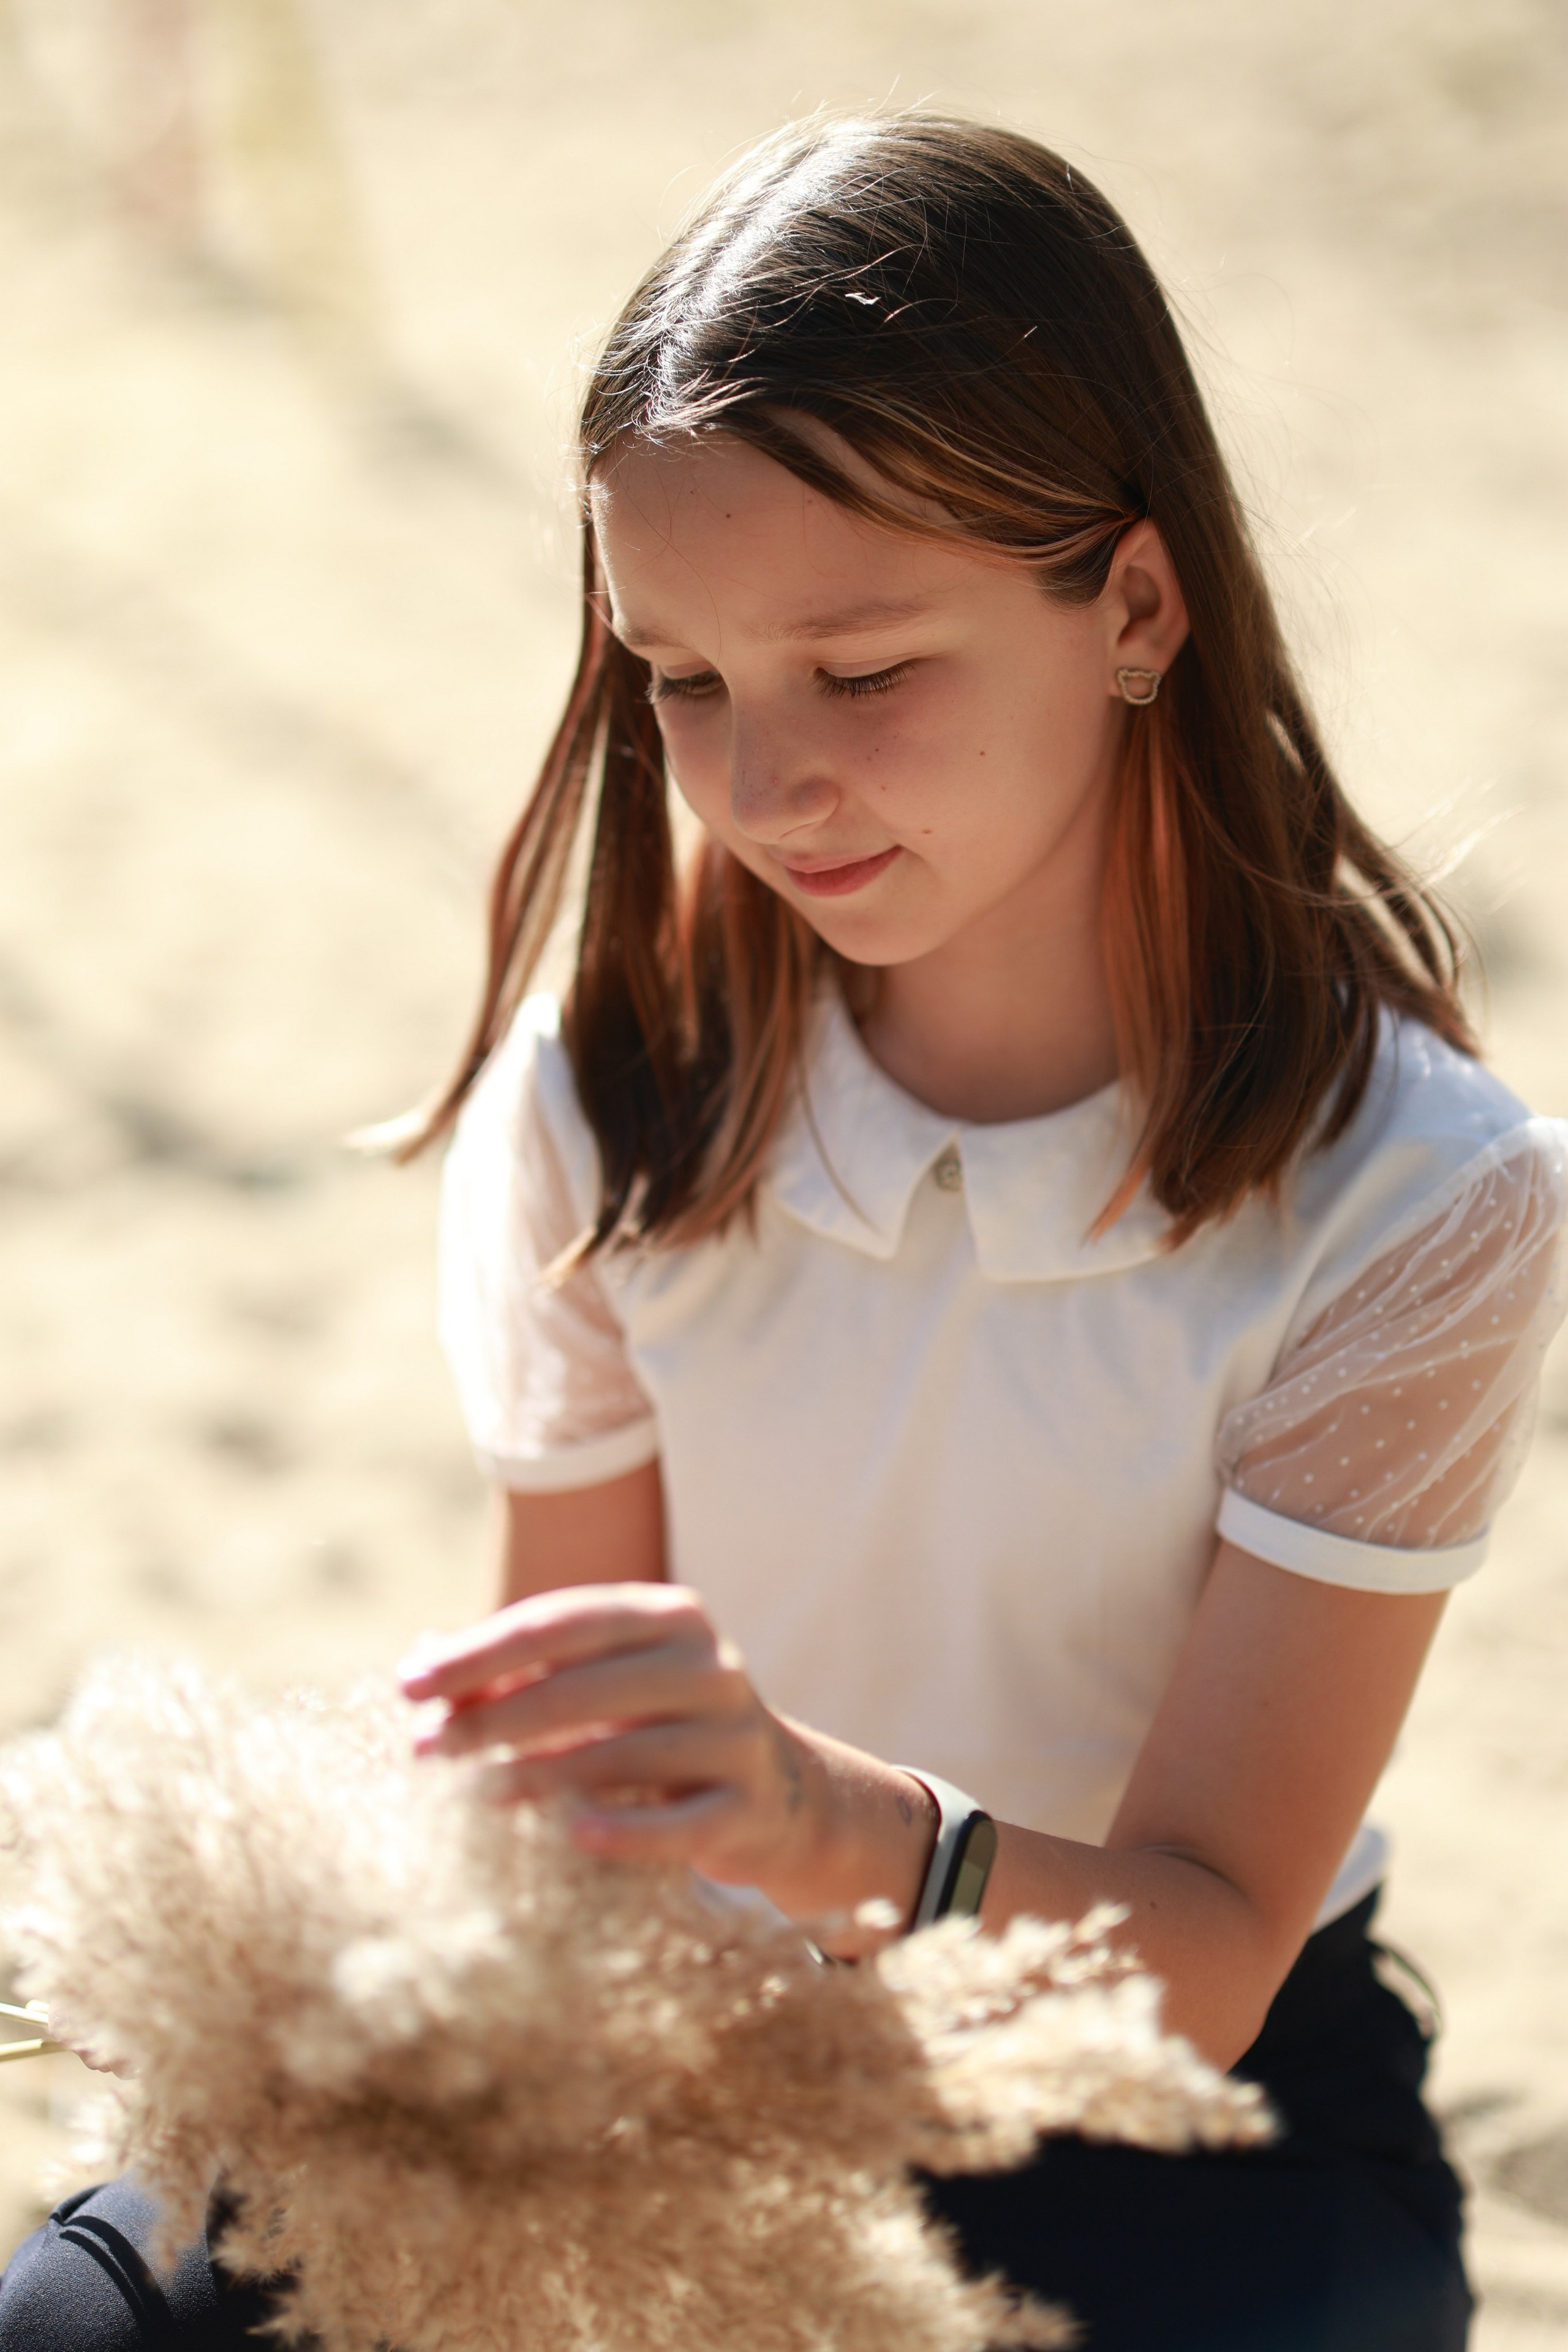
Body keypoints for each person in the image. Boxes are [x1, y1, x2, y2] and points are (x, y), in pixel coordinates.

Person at [5, 111, 1564, 2352]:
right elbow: (564, 1774)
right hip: (682, 2026)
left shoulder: (1418, 1198)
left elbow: (1210, 1945)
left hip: (1165, 2103)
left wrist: (831, 1816)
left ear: (1133, 603)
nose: (759, 784)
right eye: (686, 680)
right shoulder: (617, 1088)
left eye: (862, 669)